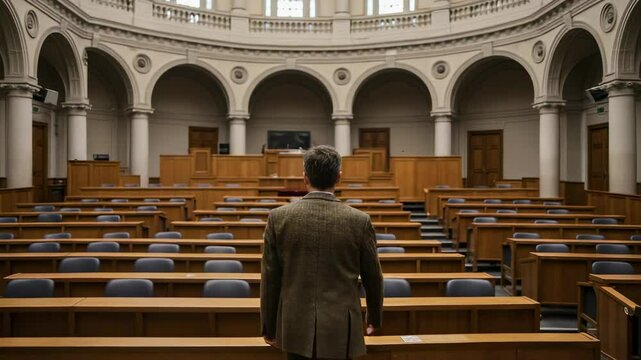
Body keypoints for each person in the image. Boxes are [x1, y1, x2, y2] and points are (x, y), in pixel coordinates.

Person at [261, 145, 384, 360]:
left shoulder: (278, 218)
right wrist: (374, 317)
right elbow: (372, 276)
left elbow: (271, 279)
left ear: (305, 177)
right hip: (341, 328)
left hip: (295, 326)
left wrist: (269, 326)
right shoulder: (359, 220)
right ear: (339, 177)